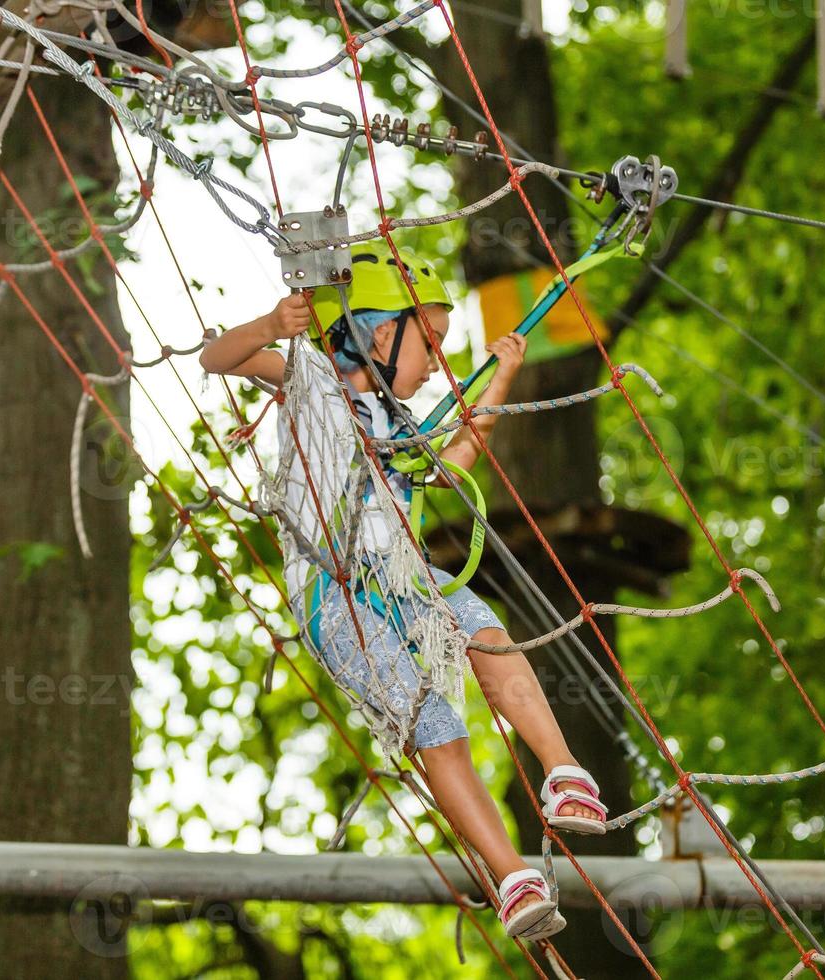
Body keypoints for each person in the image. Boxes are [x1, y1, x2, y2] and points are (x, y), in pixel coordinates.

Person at [200, 240, 611, 941]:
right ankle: (511, 874)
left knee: (485, 633)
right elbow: (218, 359)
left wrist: (501, 379)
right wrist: (274, 325)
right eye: (434, 343)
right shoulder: (313, 383)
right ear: (381, 333)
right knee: (435, 726)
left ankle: (564, 769)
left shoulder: (400, 425)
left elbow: (452, 464)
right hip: (336, 599)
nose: (441, 364)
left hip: (404, 578)